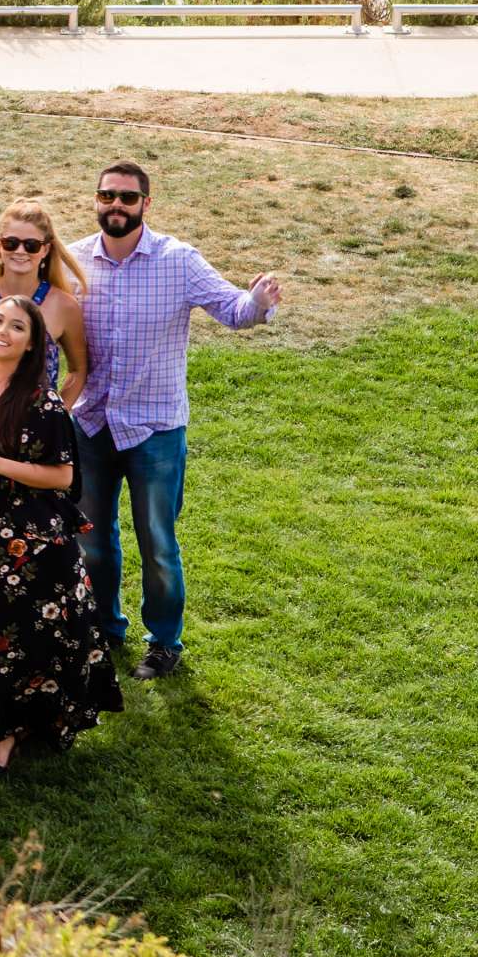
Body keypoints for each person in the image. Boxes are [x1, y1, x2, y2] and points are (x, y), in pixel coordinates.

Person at [70, 162, 281, 680]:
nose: (115, 204)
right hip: (91, 425)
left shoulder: (178, 261)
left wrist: (257, 302)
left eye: (126, 196)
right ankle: (104, 627)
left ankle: (164, 642)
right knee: (91, 539)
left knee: (158, 542)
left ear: (146, 202)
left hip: (155, 430)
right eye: (106, 195)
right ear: (96, 200)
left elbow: (234, 310)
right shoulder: (72, 260)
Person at [0, 295, 123, 774]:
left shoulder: (41, 401)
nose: (2, 330)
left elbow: (64, 477)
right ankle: (4, 724)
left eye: (17, 327)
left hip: (32, 543)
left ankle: (0, 738)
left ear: (31, 344)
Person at [0, 199, 90, 404]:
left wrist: (56, 415)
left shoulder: (64, 306)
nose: (20, 251)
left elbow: (78, 370)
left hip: (32, 431)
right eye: (11, 243)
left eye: (31, 245)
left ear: (45, 250)